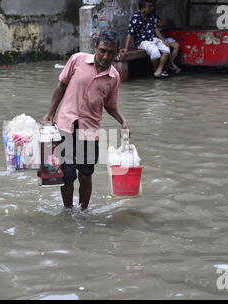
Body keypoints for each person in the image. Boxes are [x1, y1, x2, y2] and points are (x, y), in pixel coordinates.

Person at [43, 30, 129, 210]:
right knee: (66, 174)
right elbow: (61, 86)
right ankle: (67, 210)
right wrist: (50, 113)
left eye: (110, 52)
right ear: (95, 47)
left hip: (90, 130)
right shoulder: (77, 60)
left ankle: (83, 211)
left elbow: (110, 105)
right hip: (66, 124)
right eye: (102, 50)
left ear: (117, 52)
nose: (105, 56)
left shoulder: (114, 77)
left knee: (85, 174)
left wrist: (122, 121)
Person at [120, 0, 171, 79]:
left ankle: (158, 70)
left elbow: (155, 29)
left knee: (166, 49)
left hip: (152, 39)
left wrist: (163, 40)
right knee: (155, 52)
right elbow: (130, 33)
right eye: (149, 7)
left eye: (152, 6)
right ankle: (156, 71)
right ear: (142, 8)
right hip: (142, 42)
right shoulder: (136, 17)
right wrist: (126, 48)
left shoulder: (151, 16)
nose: (152, 8)